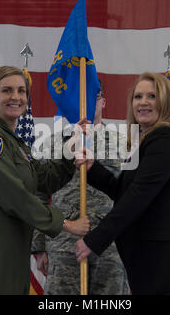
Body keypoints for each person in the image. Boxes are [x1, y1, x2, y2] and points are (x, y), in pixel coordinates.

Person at [75, 72, 170, 295]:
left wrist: (95, 240)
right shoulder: (147, 141)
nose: (143, 102)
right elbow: (126, 192)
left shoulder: (167, 138)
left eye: (152, 96)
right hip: (157, 268)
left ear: (166, 102)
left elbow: (138, 196)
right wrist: (92, 168)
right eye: (137, 96)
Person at [0, 66, 90, 295]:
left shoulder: (14, 143)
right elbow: (15, 197)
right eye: (7, 90)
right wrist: (67, 225)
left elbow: (44, 179)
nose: (16, 97)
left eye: (21, 91)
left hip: (12, 244)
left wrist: (70, 147)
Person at [31, 81, 130, 295]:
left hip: (111, 246)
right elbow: (38, 195)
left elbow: (133, 195)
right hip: (63, 243)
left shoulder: (125, 144)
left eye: (93, 96)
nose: (85, 103)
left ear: (103, 101)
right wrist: (39, 247)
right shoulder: (52, 144)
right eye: (80, 96)